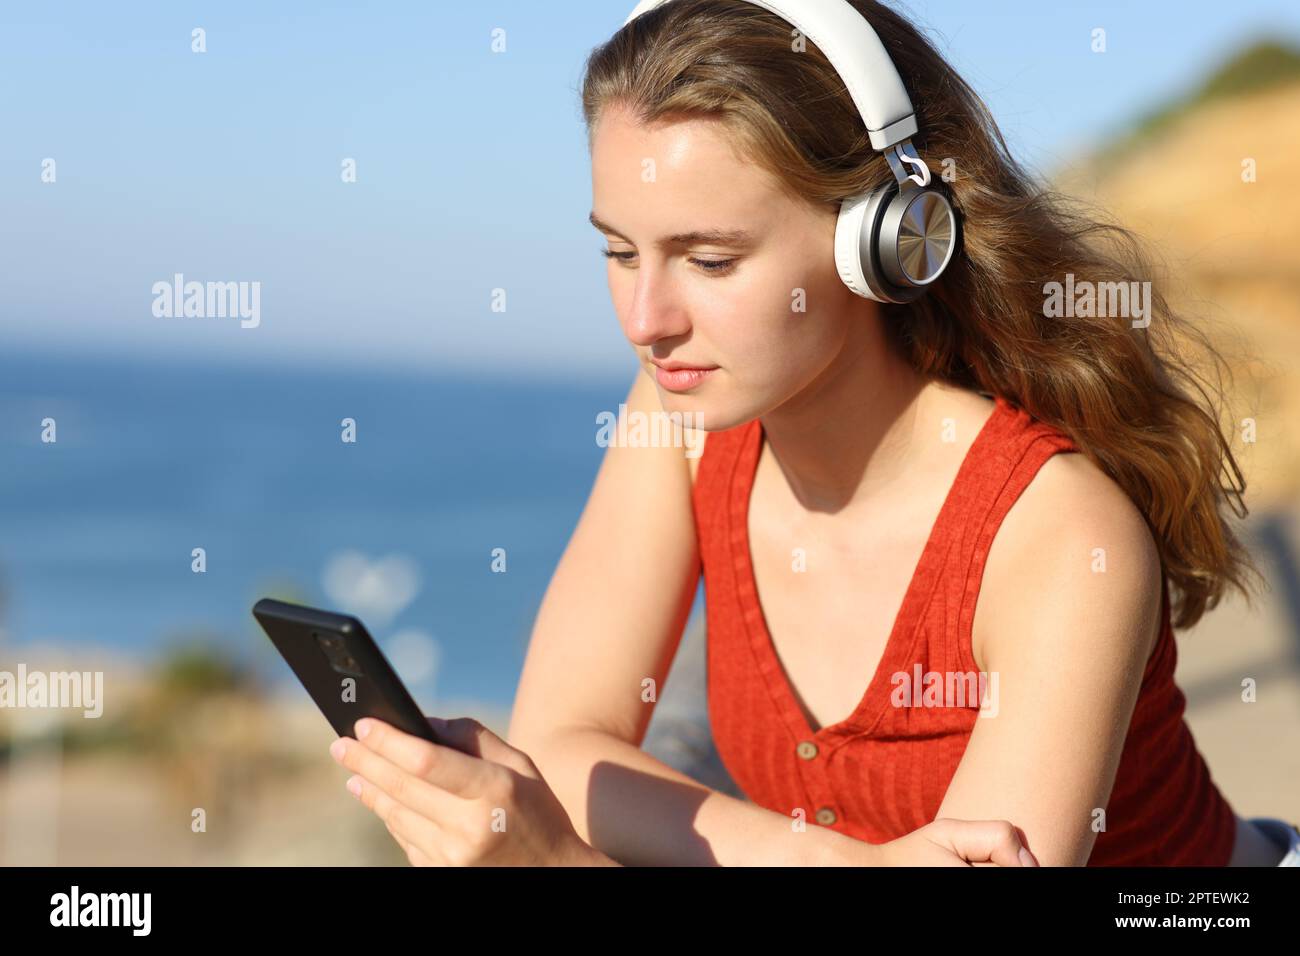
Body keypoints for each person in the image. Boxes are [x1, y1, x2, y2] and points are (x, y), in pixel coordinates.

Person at [329, 0, 1298, 866]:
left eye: (709, 259)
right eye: (619, 252)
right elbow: (565, 742)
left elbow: (578, 798)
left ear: (884, 241)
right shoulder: (676, 414)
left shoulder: (1055, 534)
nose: (645, 318)